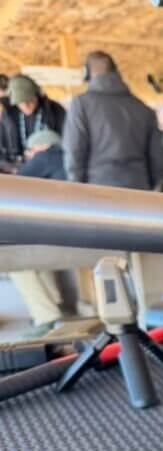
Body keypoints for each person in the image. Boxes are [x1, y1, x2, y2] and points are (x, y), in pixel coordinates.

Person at [63, 51, 163, 189]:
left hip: (97, 189)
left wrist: (76, 187)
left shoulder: (81, 105)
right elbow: (157, 159)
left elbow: (74, 150)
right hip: (138, 187)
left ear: (87, 74)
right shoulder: (144, 110)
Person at [9, 128, 76, 327]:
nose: (30, 156)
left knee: (13, 261)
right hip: (78, 231)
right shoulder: (69, 157)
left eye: (31, 151)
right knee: (33, 255)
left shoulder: (46, 156)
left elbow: (13, 184)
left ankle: (47, 317)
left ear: (42, 146)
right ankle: (56, 306)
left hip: (61, 236)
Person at [0, 75, 66, 162]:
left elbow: (68, 141)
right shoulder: (8, 115)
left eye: (29, 101)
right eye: (20, 102)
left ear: (37, 95)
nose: (25, 106)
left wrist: (51, 147)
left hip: (47, 162)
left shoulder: (55, 110)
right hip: (16, 165)